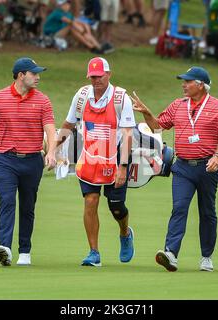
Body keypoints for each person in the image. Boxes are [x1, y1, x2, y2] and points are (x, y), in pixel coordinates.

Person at [131, 66, 218, 272]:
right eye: (183, 81)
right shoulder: (178, 105)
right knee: (179, 208)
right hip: (182, 167)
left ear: (201, 85)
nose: (183, 85)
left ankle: (206, 256)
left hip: (207, 167)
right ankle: (171, 253)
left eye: (188, 81)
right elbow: (158, 127)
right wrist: (146, 113)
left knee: (207, 212)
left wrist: (217, 156)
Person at [57, 57, 135, 267]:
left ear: (108, 74)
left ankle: (125, 232)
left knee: (116, 206)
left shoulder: (121, 98)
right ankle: (94, 252)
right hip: (91, 154)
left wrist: (123, 167)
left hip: (117, 154)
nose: (96, 80)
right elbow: (69, 123)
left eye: (100, 75)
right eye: (92, 76)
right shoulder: (82, 96)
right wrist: (54, 147)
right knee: (90, 200)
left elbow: (128, 134)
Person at [0, 57, 57, 267]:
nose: (38, 77)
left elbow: (50, 127)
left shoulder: (42, 100)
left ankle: (25, 250)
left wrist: (51, 151)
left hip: (32, 161)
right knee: (7, 201)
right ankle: (4, 247)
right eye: (34, 73)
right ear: (21, 75)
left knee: (27, 206)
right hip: (5, 159)